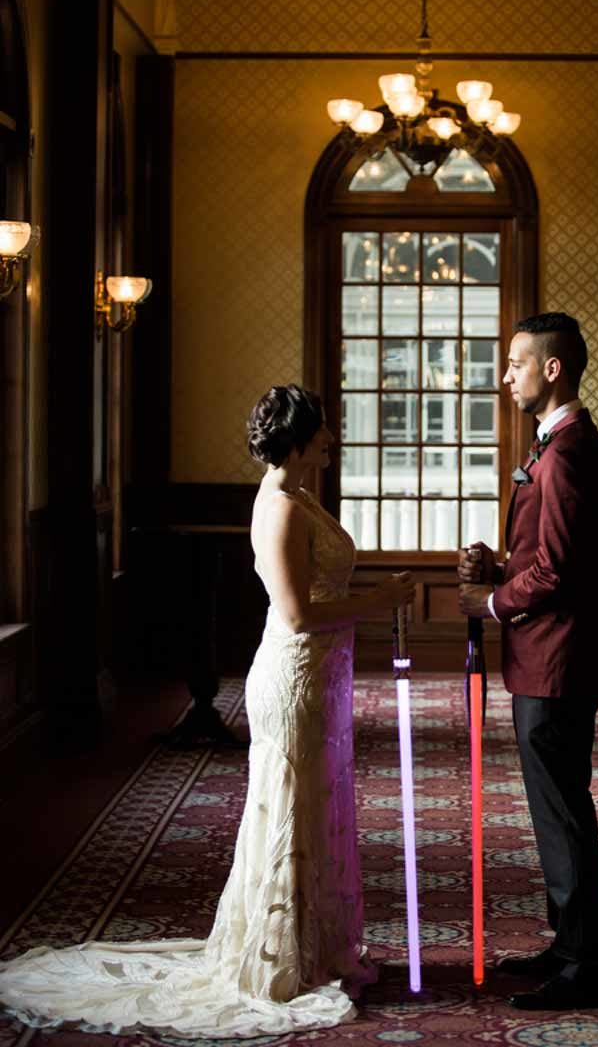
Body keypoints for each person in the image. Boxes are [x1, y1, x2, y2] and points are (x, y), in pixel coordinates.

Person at [0, 384, 415, 1038]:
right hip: (293, 678)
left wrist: (371, 599)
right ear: (302, 439)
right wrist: (379, 599)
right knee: (290, 810)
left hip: (322, 678)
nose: (333, 438)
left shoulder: (303, 496)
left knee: (315, 806)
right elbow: (298, 614)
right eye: (325, 429)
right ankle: (279, 964)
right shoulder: (278, 506)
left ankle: (314, 949)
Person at [458, 313, 598, 1011]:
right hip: (549, 657)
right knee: (558, 811)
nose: (506, 375)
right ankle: (568, 944)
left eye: (517, 363)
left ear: (552, 369)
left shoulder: (568, 452)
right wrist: (499, 565)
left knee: (563, 814)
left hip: (556, 662)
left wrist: (489, 604)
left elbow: (554, 572)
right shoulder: (558, 447)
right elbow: (553, 557)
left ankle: (587, 966)